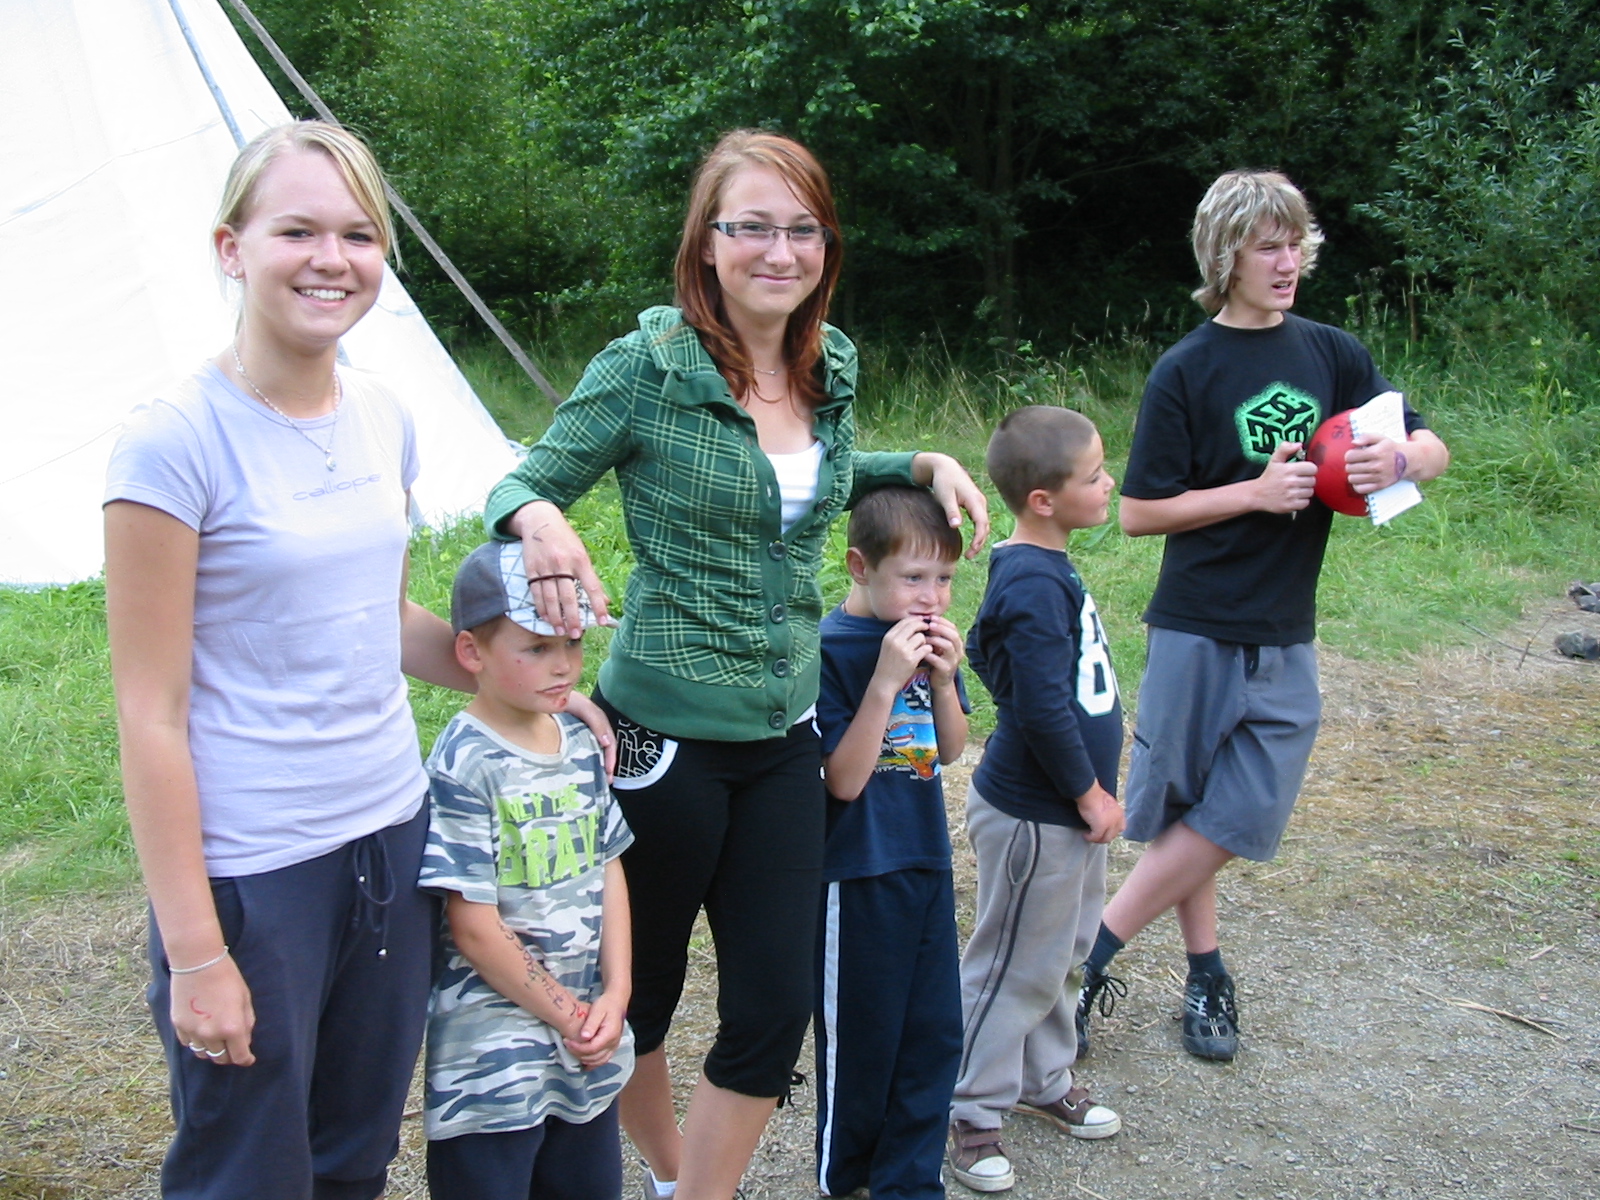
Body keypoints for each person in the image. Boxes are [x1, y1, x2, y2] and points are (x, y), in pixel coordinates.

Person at [482, 129, 989, 1200]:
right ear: (706, 242)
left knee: (772, 1006)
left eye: (803, 229)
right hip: (662, 739)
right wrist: (539, 520)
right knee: (643, 993)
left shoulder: (828, 363)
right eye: (752, 226)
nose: (779, 250)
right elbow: (523, 482)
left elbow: (815, 475)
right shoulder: (648, 366)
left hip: (783, 737)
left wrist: (921, 460)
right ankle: (669, 1171)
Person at [102, 121, 476, 1198]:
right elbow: (150, 712)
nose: (332, 259)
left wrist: (520, 676)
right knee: (247, 1169)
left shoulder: (384, 416)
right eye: (298, 230)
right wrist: (197, 951)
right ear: (232, 248)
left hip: (391, 838)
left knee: (354, 1159)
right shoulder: (173, 441)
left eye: (359, 235)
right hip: (255, 870)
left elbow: (378, 617)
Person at [1078, 169, 1451, 1064]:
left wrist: (1400, 459)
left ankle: (1084, 957)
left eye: (1296, 244)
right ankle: (1206, 972)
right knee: (1188, 810)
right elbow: (1138, 513)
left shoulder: (1332, 353)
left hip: (1287, 629)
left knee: (1240, 813)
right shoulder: (1186, 368)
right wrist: (1252, 492)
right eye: (1267, 247)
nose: (1288, 263)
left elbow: (1430, 443)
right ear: (1225, 256)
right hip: (1196, 623)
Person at [419, 540, 634, 1200]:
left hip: (585, 1044)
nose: (563, 664)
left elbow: (609, 865)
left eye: (572, 643)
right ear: (471, 652)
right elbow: (472, 925)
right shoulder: (464, 761)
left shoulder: (578, 740)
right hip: (492, 1064)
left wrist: (617, 992)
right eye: (536, 648)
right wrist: (570, 1014)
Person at [946, 406, 1125, 1194]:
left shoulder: (1044, 566)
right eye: (1094, 476)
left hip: (1068, 817)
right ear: (1044, 500)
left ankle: (1041, 1079)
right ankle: (969, 1108)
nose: (1109, 483)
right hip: (1038, 816)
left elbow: (989, 652)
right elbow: (1046, 707)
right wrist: (1088, 794)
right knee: (1011, 964)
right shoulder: (1029, 579)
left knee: (1062, 953)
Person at [812, 486, 970, 1200]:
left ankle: (910, 1181)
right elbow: (843, 781)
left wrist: (944, 680)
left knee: (933, 1031)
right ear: (859, 566)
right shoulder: (829, 648)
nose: (931, 597)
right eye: (913, 577)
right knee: (863, 1037)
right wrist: (884, 682)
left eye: (944, 578)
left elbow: (951, 750)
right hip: (857, 872)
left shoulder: (930, 642)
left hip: (925, 857)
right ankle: (845, 1177)